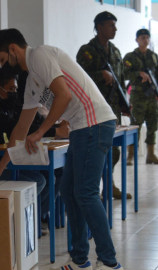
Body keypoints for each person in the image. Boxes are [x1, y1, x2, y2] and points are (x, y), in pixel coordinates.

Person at [0, 28, 123, 270]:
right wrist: (0, 166)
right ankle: (80, 261)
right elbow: (20, 129)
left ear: (13, 49)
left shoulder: (40, 55)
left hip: (95, 123)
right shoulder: (32, 80)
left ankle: (110, 263)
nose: (3, 66)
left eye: (3, 59)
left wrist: (41, 131)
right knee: (69, 193)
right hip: (82, 128)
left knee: (86, 193)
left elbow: (64, 95)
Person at [0, 68, 66, 234]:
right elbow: (15, 128)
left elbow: (30, 123)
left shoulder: (6, 105)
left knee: (52, 175)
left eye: (16, 89)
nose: (15, 93)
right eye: (12, 89)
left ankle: (33, 220)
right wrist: (55, 131)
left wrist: (56, 127)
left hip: (1, 161)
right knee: (38, 181)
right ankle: (23, 224)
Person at [76, 11, 131, 199]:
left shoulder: (115, 51)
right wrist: (101, 75)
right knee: (96, 150)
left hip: (112, 108)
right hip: (93, 109)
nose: (115, 29)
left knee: (113, 151)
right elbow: (79, 80)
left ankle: (109, 185)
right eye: (110, 25)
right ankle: (94, 188)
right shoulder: (86, 51)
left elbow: (121, 79)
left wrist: (125, 103)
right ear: (99, 27)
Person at [123, 29, 158, 165]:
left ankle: (151, 154)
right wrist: (139, 73)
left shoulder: (154, 56)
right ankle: (130, 155)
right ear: (137, 39)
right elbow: (124, 74)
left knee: (153, 124)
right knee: (135, 125)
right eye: (143, 37)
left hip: (151, 96)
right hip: (138, 95)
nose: (146, 40)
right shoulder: (130, 57)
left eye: (147, 38)